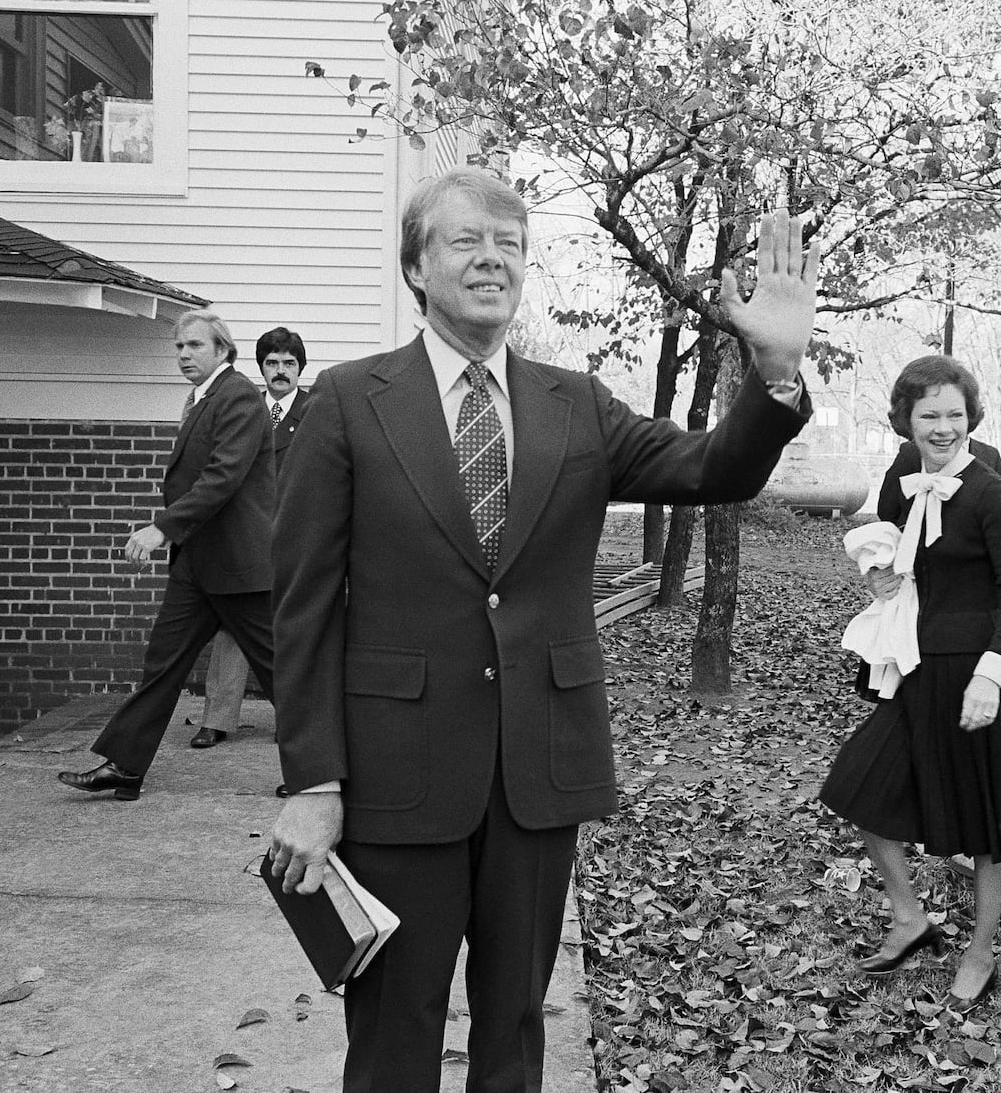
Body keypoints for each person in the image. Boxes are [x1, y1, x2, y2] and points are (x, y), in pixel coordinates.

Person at [263, 167, 819, 1092]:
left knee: (516, 1027)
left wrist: (776, 373)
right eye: (464, 241)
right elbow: (304, 609)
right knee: (396, 1032)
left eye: (509, 244)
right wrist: (314, 783)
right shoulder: (348, 401)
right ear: (415, 268)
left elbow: (711, 468)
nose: (491, 259)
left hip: (538, 774)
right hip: (400, 777)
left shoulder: (577, 404)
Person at [820, 355, 1001, 1014]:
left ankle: (980, 951)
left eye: (954, 415)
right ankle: (910, 918)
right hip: (916, 670)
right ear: (905, 422)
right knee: (858, 787)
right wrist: (878, 575)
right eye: (928, 415)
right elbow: (885, 548)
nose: (942, 427)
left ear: (972, 418)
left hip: (977, 674)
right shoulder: (903, 479)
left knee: (985, 826)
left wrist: (990, 678)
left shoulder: (989, 490)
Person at [57, 310, 277, 800]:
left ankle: (328, 775)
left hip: (240, 566)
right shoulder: (203, 398)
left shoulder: (238, 395)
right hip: (198, 566)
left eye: (194, 346)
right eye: (178, 347)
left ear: (222, 349)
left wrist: (162, 527)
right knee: (162, 664)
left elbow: (222, 477)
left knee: (283, 673)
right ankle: (126, 766)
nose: (183, 355)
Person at [189, 326, 312, 750]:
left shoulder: (316, 412)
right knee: (233, 625)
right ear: (260, 368)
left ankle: (293, 720)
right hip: (247, 537)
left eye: (289, 364)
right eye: (272, 363)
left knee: (295, 628)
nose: (280, 371)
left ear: (300, 369)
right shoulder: (244, 408)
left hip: (298, 539)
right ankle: (217, 718)